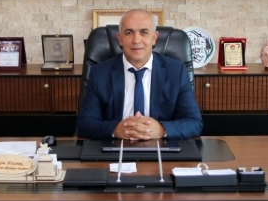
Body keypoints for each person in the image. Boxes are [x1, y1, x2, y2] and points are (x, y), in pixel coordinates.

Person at [76, 9, 203, 140]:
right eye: (129, 32)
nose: (136, 40)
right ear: (120, 39)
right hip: (115, 145)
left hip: (162, 146)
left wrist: (162, 129)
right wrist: (114, 129)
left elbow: (194, 122)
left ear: (154, 38)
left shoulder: (176, 72)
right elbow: (85, 123)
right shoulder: (99, 73)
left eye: (144, 32)